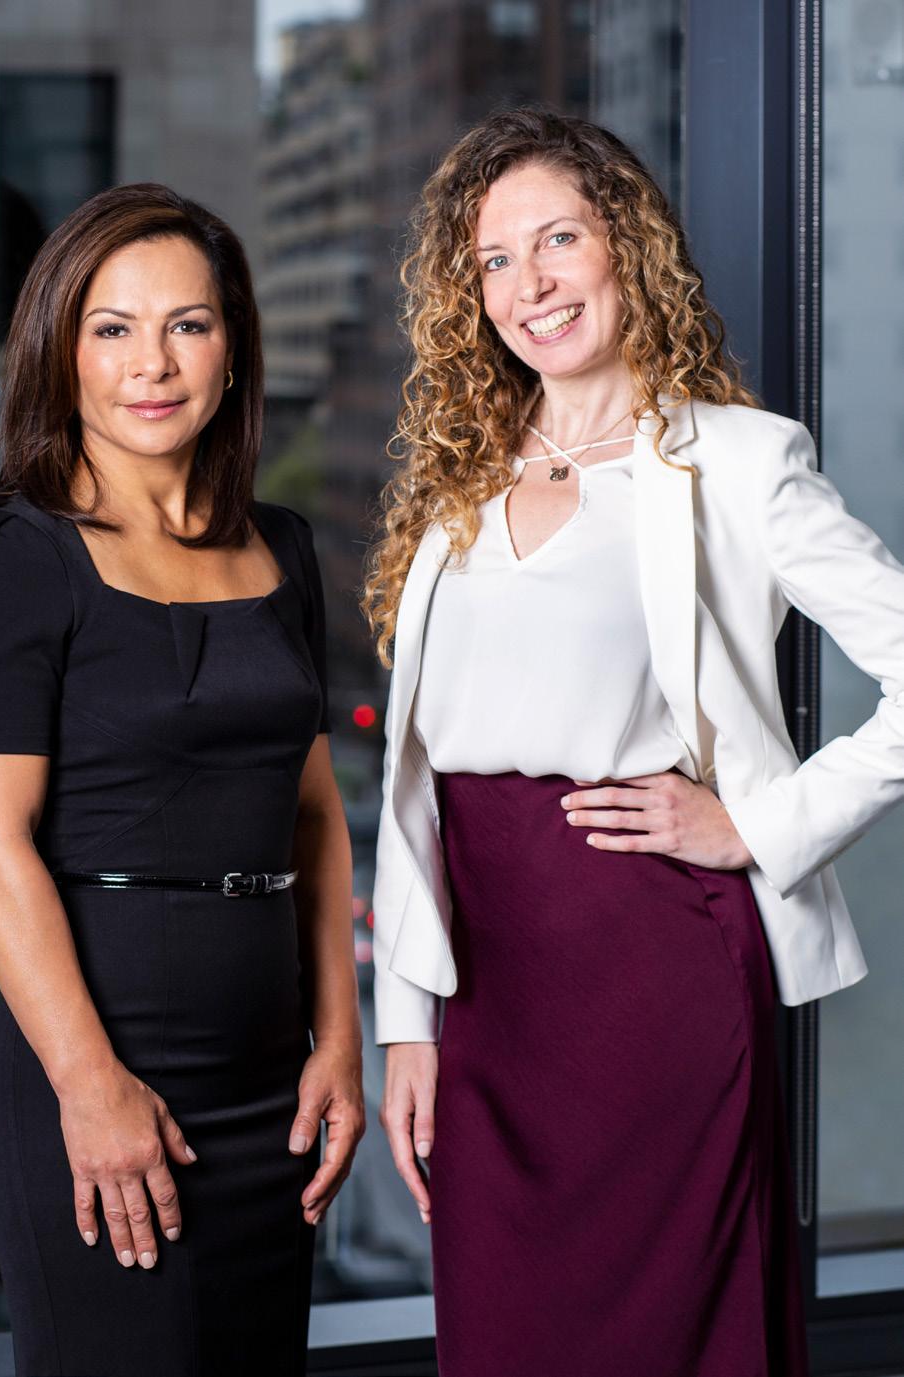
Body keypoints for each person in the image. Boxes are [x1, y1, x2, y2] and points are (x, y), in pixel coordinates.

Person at [364, 106, 904, 1377]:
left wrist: (755, 826)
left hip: (657, 967)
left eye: (559, 239)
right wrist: (406, 1021)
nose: (531, 285)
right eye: (496, 260)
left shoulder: (739, 462)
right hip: (485, 987)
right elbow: (417, 784)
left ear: (628, 243)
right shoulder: (455, 482)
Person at [0, 183, 364, 1377]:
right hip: (96, 1075)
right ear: (59, 351)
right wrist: (90, 1087)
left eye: (188, 324)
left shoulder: (283, 546)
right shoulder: (5, 558)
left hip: (270, 1083)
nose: (151, 364)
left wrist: (338, 1040)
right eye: (111, 328)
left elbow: (314, 814)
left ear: (233, 345)